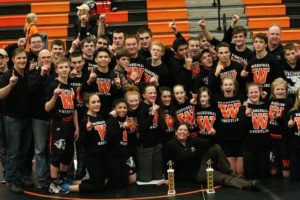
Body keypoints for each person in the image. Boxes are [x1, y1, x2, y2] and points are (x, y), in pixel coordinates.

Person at [163, 123, 262, 190]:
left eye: (185, 130)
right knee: (222, 178)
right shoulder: (170, 145)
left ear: (188, 133)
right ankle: (248, 184)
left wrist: (212, 134)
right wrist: (168, 178)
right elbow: (166, 162)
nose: (182, 132)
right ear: (176, 132)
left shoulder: (193, 141)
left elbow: (209, 143)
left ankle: (230, 172)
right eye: (180, 130)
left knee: (216, 147)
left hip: (201, 163)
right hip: (197, 173)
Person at [0, 48, 33, 193]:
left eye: (24, 58)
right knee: (13, 151)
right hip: (12, 119)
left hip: (26, 118)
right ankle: (11, 179)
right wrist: (11, 85)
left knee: (24, 150)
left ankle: (21, 176)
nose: (22, 60)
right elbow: (0, 95)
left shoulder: (27, 74)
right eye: (19, 58)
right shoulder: (7, 75)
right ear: (13, 59)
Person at [45, 57, 79, 195]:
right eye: (61, 67)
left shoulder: (71, 87)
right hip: (58, 124)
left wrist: (77, 127)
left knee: (68, 153)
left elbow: (74, 109)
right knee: (57, 153)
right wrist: (54, 96)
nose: (64, 69)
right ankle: (52, 183)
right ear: (57, 69)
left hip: (70, 124)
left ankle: (63, 180)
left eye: (66, 67)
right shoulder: (53, 84)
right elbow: (47, 108)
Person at [60, 93, 107, 193]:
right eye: (93, 102)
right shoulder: (85, 119)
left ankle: (73, 182)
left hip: (101, 155)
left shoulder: (100, 116)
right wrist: (86, 130)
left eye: (98, 101)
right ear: (87, 105)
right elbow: (81, 141)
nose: (97, 104)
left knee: (101, 182)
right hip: (92, 156)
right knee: (97, 187)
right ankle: (67, 187)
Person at [239, 83, 272, 179]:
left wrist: (266, 98)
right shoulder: (244, 107)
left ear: (260, 93)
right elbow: (240, 127)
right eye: (251, 92)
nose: (254, 94)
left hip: (264, 147)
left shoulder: (266, 105)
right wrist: (246, 116)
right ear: (248, 95)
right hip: (249, 147)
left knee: (264, 176)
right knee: (250, 175)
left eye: (256, 92)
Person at [214, 76, 243, 175]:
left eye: (230, 84)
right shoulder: (217, 98)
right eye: (225, 85)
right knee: (233, 172)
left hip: (240, 138)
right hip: (225, 139)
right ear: (222, 87)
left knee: (240, 172)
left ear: (234, 87)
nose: (228, 87)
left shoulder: (241, 97)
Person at [241, 33, 283, 99]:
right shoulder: (251, 61)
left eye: (261, 42)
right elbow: (248, 82)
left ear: (266, 44)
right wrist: (243, 75)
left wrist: (270, 93)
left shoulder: (273, 59)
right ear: (253, 44)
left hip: (271, 96)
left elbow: (279, 80)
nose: (258, 44)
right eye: (256, 42)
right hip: (255, 97)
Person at [107, 99, 137, 188]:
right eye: (119, 107)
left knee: (132, 180)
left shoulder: (128, 119)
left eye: (124, 108)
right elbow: (110, 137)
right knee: (118, 184)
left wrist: (131, 130)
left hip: (126, 154)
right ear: (114, 109)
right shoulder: (111, 120)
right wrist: (122, 127)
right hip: (115, 155)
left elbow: (130, 139)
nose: (122, 110)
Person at [136, 83, 163, 182]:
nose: (153, 95)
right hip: (146, 147)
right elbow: (143, 127)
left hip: (157, 145)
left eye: (154, 93)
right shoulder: (141, 108)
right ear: (143, 95)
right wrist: (152, 114)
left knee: (158, 177)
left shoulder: (156, 105)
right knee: (145, 179)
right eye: (150, 93)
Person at [268, 78, 292, 178]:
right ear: (273, 90)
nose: (280, 92)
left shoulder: (289, 102)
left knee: (286, 173)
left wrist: (280, 117)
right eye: (277, 89)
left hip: (283, 138)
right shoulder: (270, 101)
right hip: (271, 137)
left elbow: (289, 122)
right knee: (273, 170)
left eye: (282, 89)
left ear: (286, 90)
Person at [287, 87, 300, 181]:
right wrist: (289, 126)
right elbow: (287, 133)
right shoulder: (293, 112)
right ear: (297, 97)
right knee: (294, 177)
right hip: (296, 148)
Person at [0, 49, 9, 183]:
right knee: (3, 145)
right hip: (1, 114)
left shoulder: (14, 72)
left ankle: (19, 171)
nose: (0, 60)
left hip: (13, 114)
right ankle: (7, 173)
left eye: (2, 57)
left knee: (16, 145)